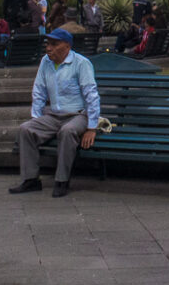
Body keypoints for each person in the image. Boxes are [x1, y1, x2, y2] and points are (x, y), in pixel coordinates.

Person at [12, 28, 102, 197]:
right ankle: (31, 179)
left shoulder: (81, 63)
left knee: (67, 131)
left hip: (78, 115)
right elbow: (39, 90)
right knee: (26, 129)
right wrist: (36, 119)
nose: (48, 48)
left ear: (67, 46)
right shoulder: (46, 62)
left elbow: (91, 95)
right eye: (48, 44)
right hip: (54, 115)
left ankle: (62, 180)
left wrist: (92, 127)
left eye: (54, 44)